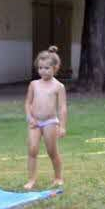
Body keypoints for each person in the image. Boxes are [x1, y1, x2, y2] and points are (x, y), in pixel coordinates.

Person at [23, 46, 68, 190]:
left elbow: (62, 107)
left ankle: (58, 177)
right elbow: (28, 103)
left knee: (52, 151)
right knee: (32, 149)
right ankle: (31, 179)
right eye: (40, 68)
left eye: (47, 68)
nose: (43, 71)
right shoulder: (34, 85)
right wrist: (29, 117)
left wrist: (62, 126)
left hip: (50, 122)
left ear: (55, 68)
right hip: (35, 122)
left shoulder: (58, 86)